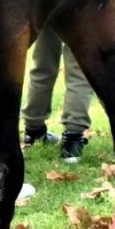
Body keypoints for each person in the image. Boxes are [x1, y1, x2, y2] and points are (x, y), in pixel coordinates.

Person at [20, 27, 93, 162]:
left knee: (43, 64)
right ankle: (73, 140)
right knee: (79, 70)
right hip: (80, 7)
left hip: (46, 7)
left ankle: (33, 130)